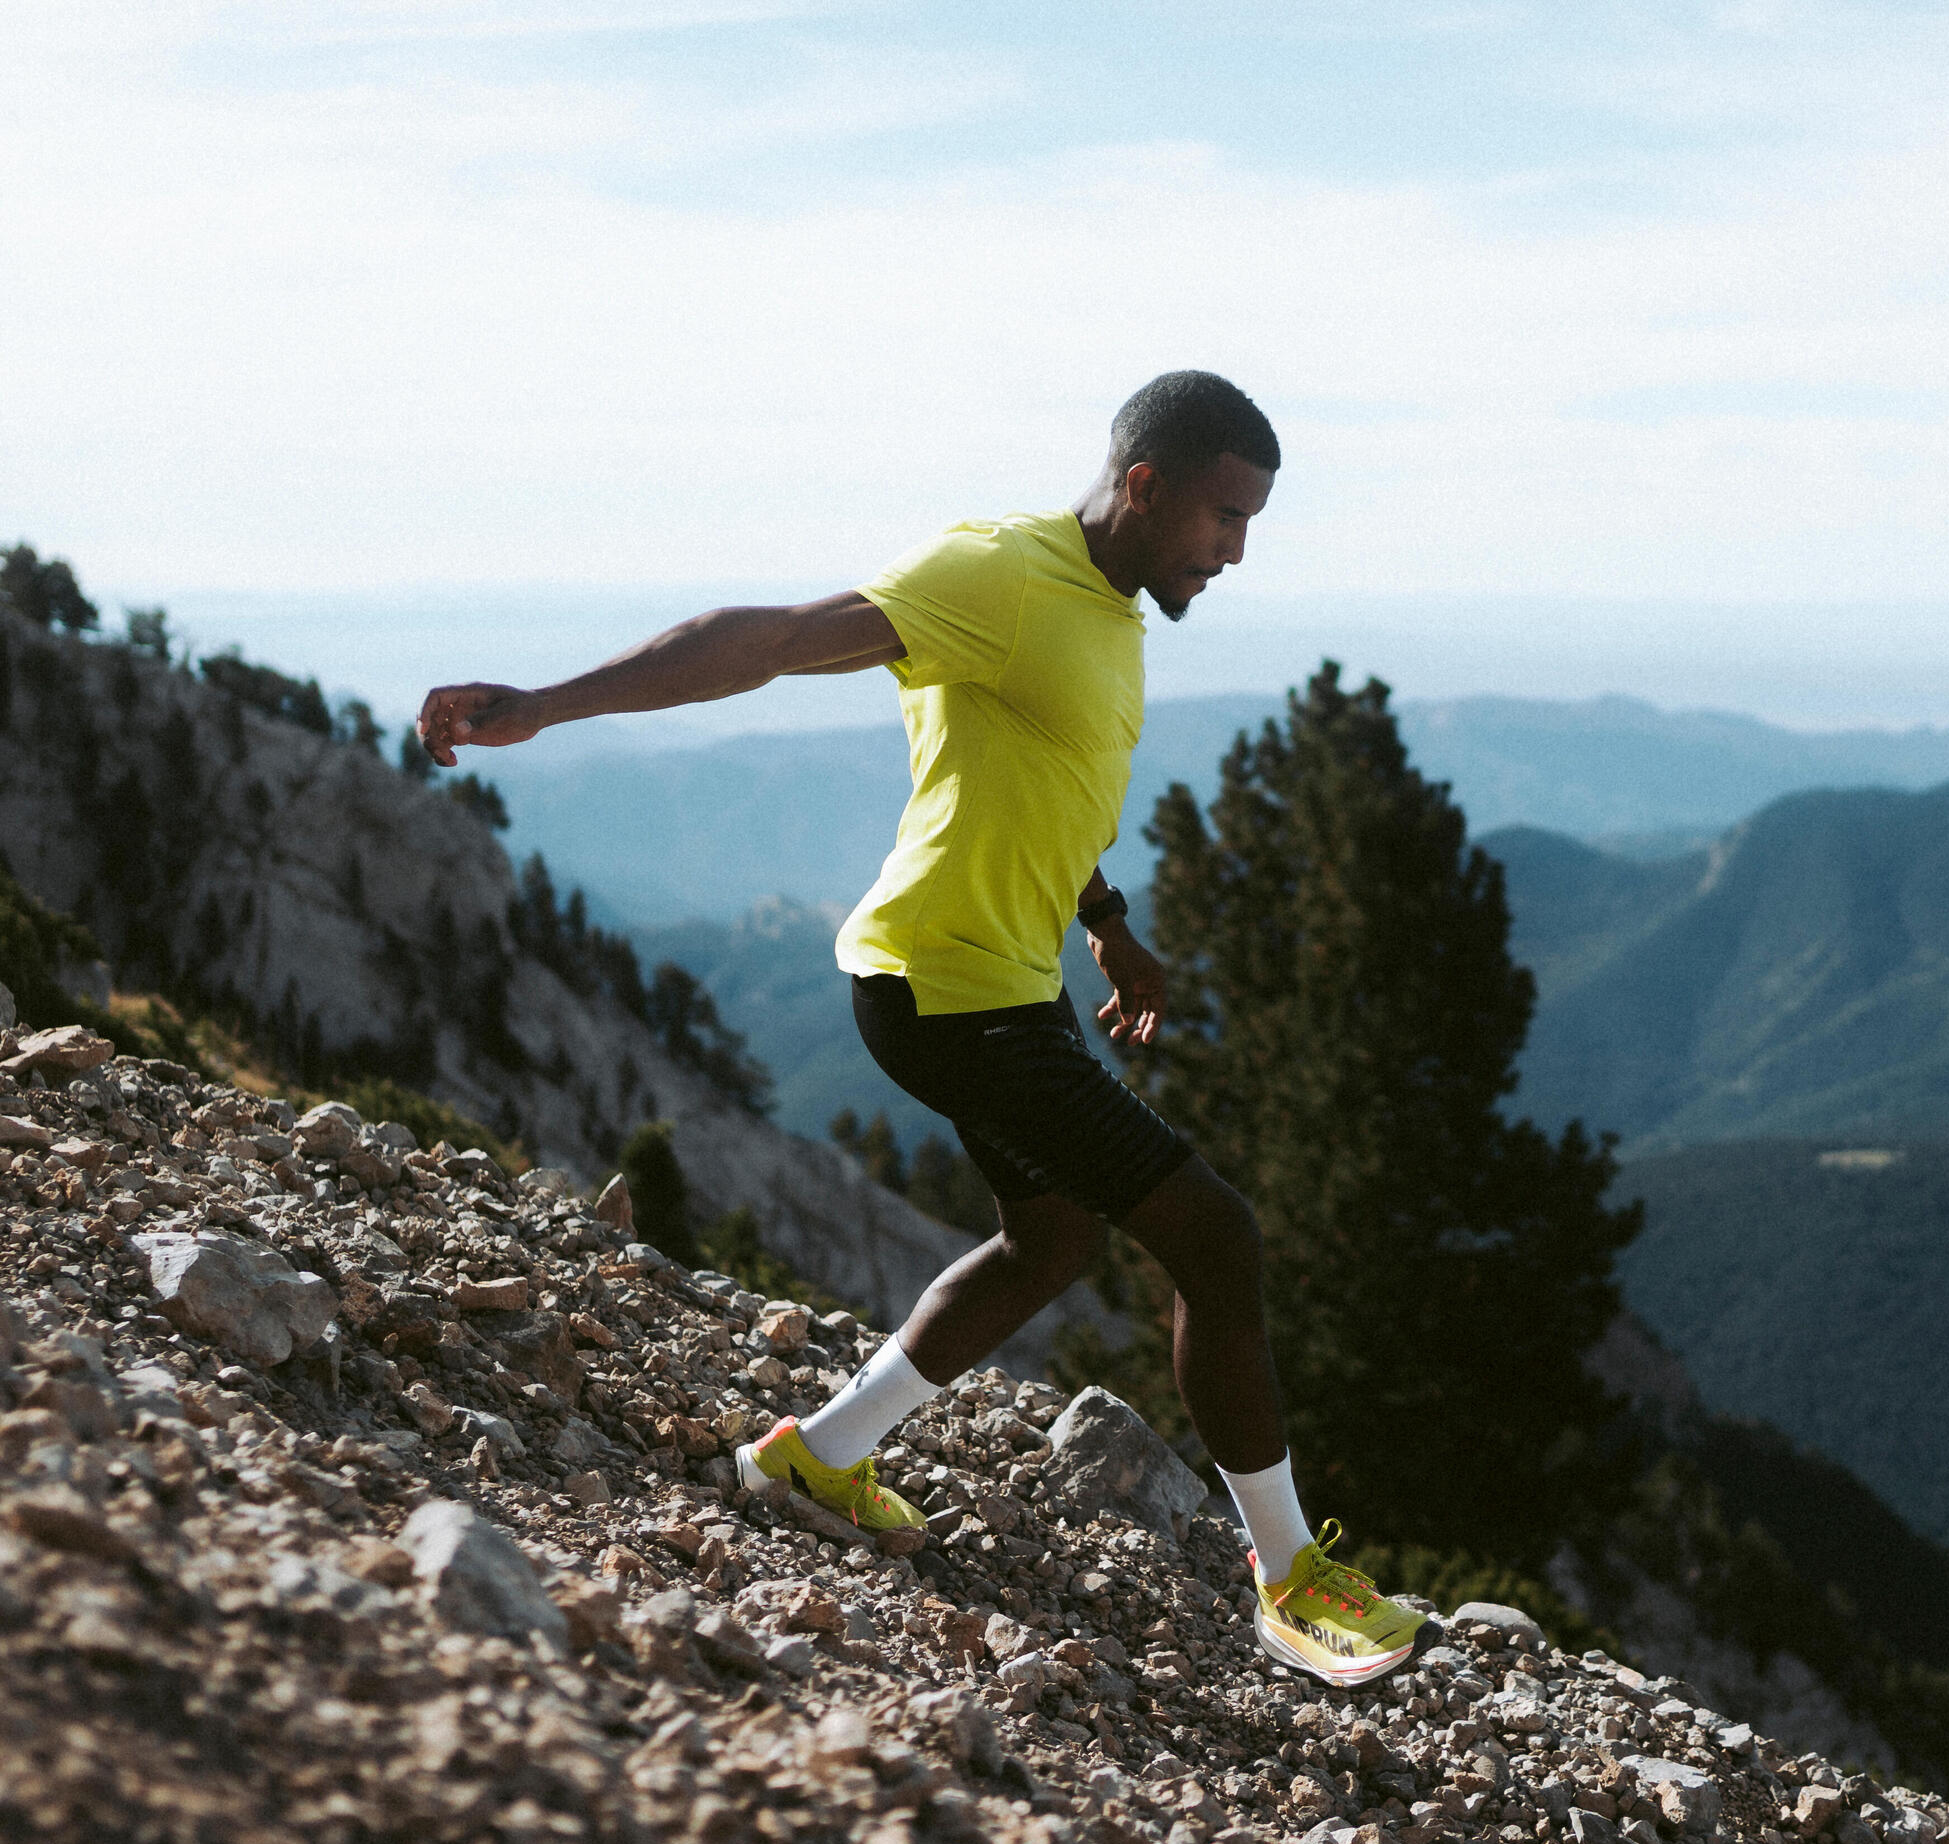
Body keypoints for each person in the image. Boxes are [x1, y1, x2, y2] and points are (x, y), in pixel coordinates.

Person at [416, 371, 1425, 1688]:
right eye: (1223, 519)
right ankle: (1289, 1586)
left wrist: (1108, 923)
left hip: (998, 979)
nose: (1234, 552)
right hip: (946, 990)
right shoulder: (996, 574)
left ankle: (818, 1455)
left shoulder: (1109, 606)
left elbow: (1043, 784)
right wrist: (549, 702)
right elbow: (765, 636)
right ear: (1144, 485)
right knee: (1214, 1236)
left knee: (1052, 1239)